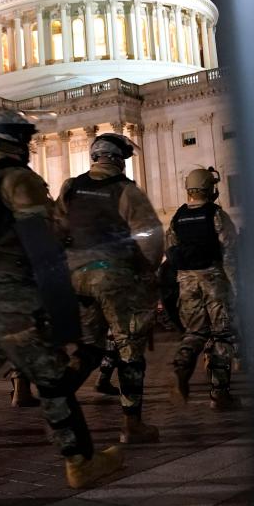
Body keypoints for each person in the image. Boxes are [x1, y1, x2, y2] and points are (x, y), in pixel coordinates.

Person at [0, 111, 122, 506]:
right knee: (53, 382)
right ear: (19, 142)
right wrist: (66, 315)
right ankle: (80, 462)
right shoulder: (19, 181)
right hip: (13, 302)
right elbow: (44, 249)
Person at [55, 133, 165, 443]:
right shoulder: (126, 190)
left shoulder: (71, 187)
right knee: (129, 348)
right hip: (115, 276)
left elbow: (56, 226)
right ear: (118, 160)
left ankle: (58, 400)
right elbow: (151, 237)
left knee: (89, 347)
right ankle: (132, 424)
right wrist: (147, 268)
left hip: (77, 277)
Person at [166, 167, 240, 410]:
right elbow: (229, 252)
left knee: (194, 333)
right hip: (213, 278)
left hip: (186, 281)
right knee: (222, 334)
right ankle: (220, 394)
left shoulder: (177, 217)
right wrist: (236, 287)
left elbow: (171, 250)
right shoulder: (216, 214)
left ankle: (181, 367)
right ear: (210, 188)